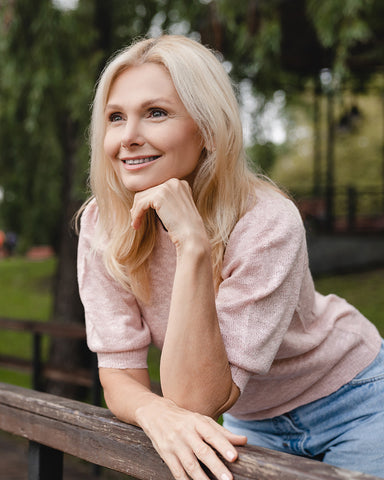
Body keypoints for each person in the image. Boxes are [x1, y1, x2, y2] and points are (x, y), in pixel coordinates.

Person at [77, 34, 384, 480]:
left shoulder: (267, 219)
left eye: (156, 113)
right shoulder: (103, 224)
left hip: (353, 400)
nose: (129, 138)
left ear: (206, 129)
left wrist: (194, 246)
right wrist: (154, 413)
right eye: (116, 117)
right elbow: (130, 380)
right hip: (250, 418)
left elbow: (197, 402)